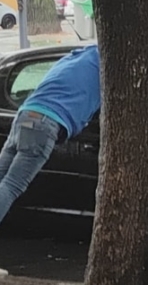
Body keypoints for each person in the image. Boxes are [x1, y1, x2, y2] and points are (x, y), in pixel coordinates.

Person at [0, 44, 100, 255]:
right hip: (46, 123)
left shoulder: (73, 59)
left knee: (2, 180)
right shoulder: (107, 65)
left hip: (24, 116)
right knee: (11, 186)